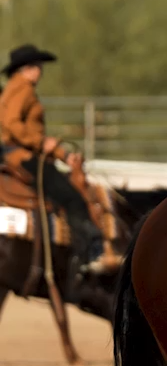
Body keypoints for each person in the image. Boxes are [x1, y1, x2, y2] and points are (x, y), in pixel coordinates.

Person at [0, 43, 103, 271]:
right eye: (36, 66)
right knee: (72, 197)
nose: (40, 71)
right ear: (25, 69)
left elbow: (33, 135)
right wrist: (40, 143)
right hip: (23, 156)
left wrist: (63, 155)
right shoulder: (23, 89)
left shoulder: (15, 89)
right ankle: (88, 253)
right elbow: (12, 124)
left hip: (22, 152)